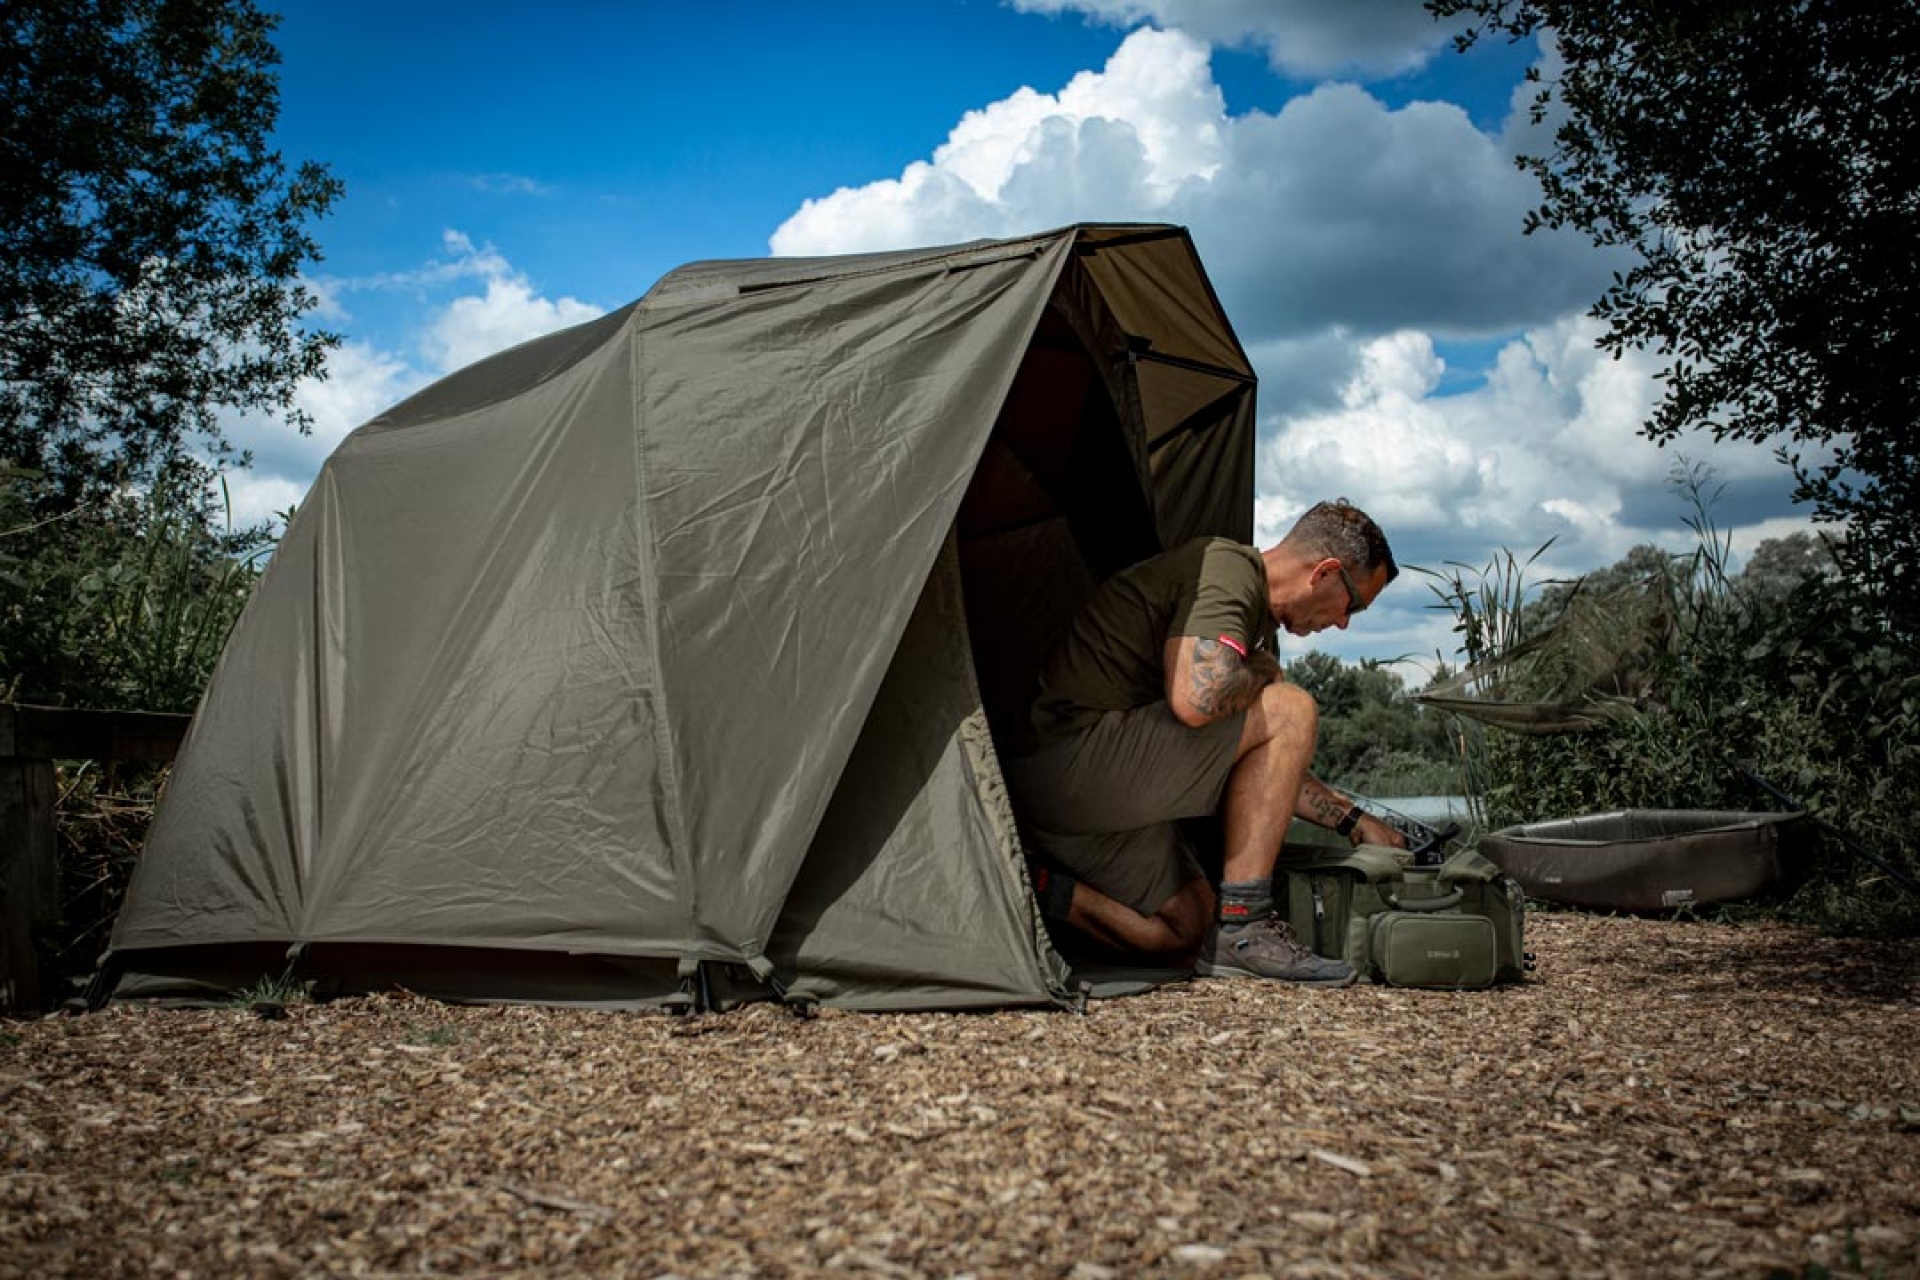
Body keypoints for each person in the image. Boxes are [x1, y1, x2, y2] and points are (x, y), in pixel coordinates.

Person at [1003, 499, 1406, 987]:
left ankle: (1033, 885)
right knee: (1291, 707)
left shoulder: (1258, 628)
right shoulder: (1229, 568)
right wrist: (1261, 672)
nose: (1344, 623)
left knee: (1188, 928)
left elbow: (1269, 769)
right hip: (1071, 760)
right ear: (1324, 573)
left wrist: (1353, 820)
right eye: (1354, 605)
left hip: (1087, 808)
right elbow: (1197, 698)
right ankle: (1248, 926)